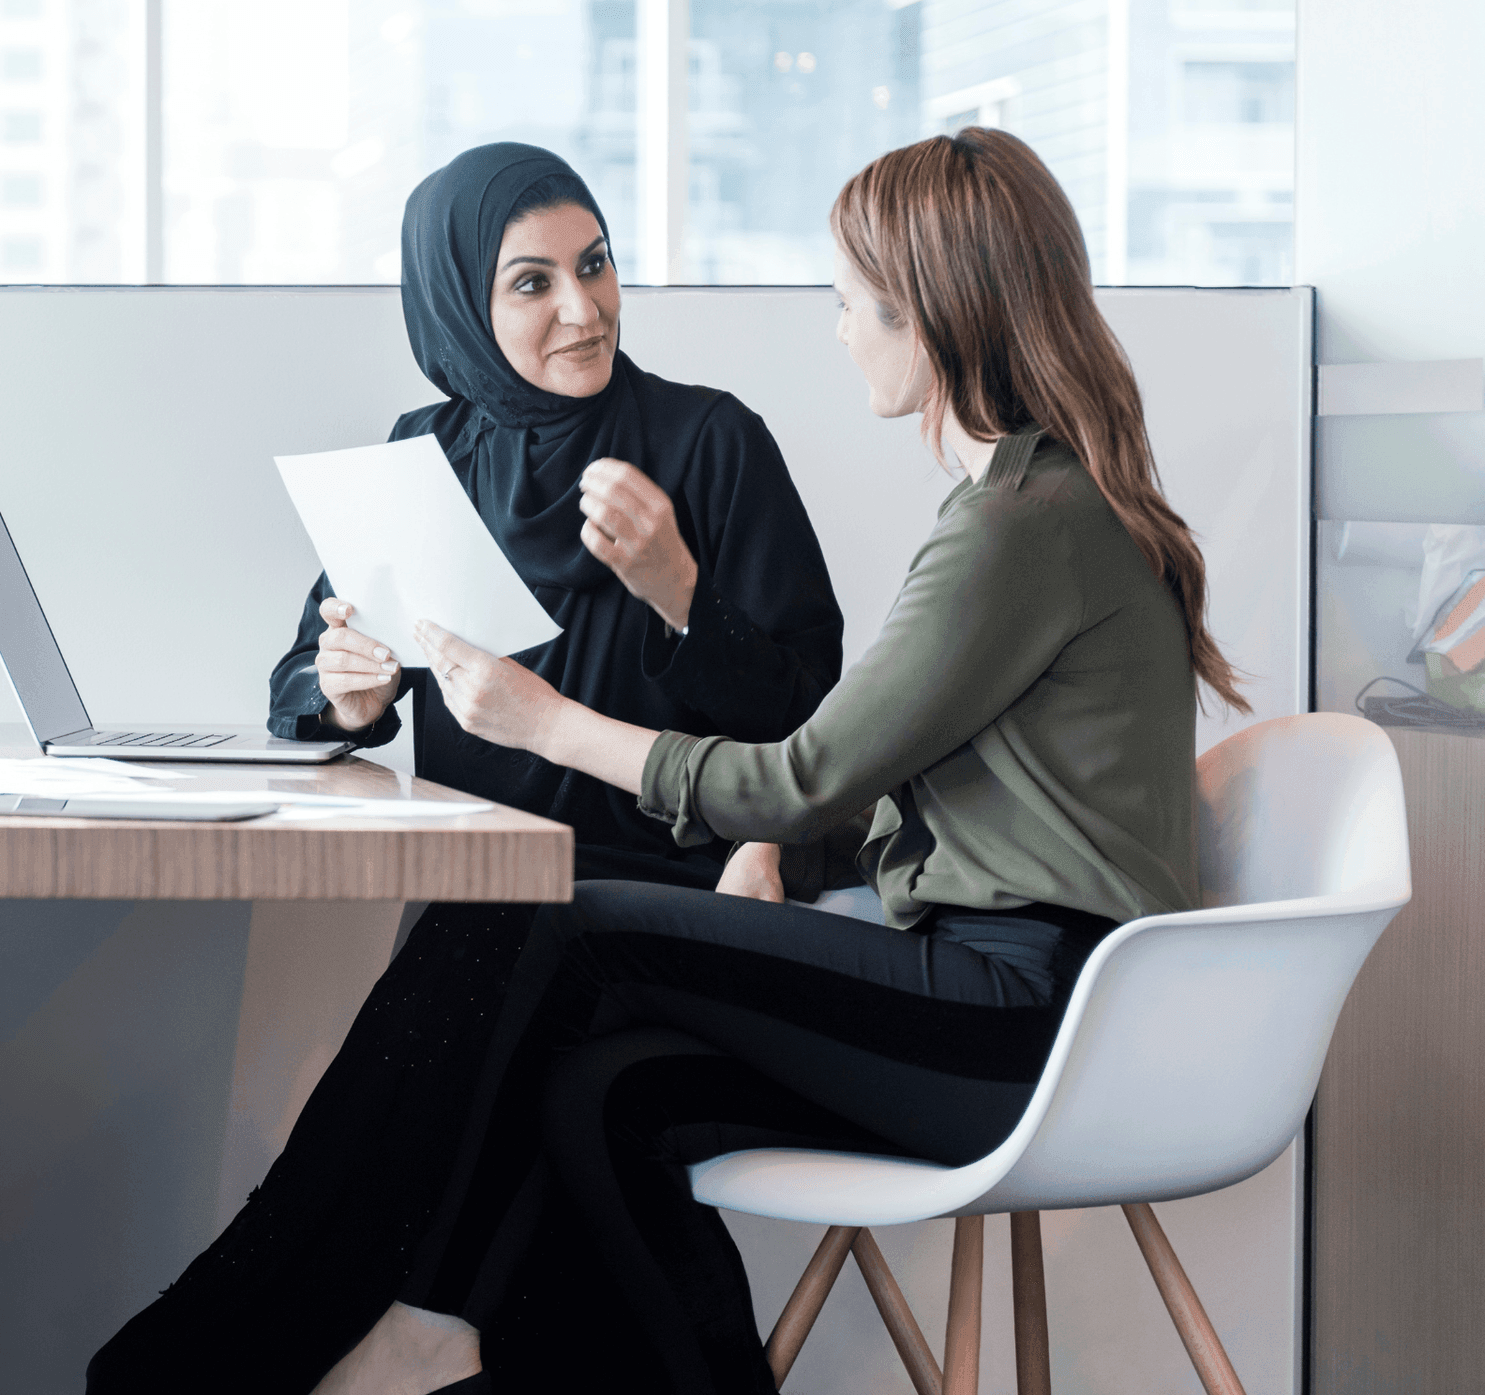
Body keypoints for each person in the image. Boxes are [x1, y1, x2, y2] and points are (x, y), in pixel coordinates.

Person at [275, 125, 1252, 1395]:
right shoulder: (1023, 511)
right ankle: (436, 1323)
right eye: (535, 280)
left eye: (851, 301)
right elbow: (894, 782)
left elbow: (802, 765)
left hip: (1028, 1016)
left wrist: (558, 722)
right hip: (998, 985)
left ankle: (370, 1313)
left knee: (550, 927)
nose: (836, 327)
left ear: (932, 317)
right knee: (600, 1097)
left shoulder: (1020, 525)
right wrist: (783, 854)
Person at [87, 143, 843, 1394]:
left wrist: (680, 591)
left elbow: (813, 724)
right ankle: (414, 1330)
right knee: (518, 1001)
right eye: (532, 283)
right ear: (459, 309)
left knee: (505, 965)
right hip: (494, 908)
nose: (583, 308)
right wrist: (341, 691)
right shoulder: (421, 457)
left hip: (677, 915)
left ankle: (254, 1346)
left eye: (594, 266)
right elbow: (303, 683)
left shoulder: (708, 442)